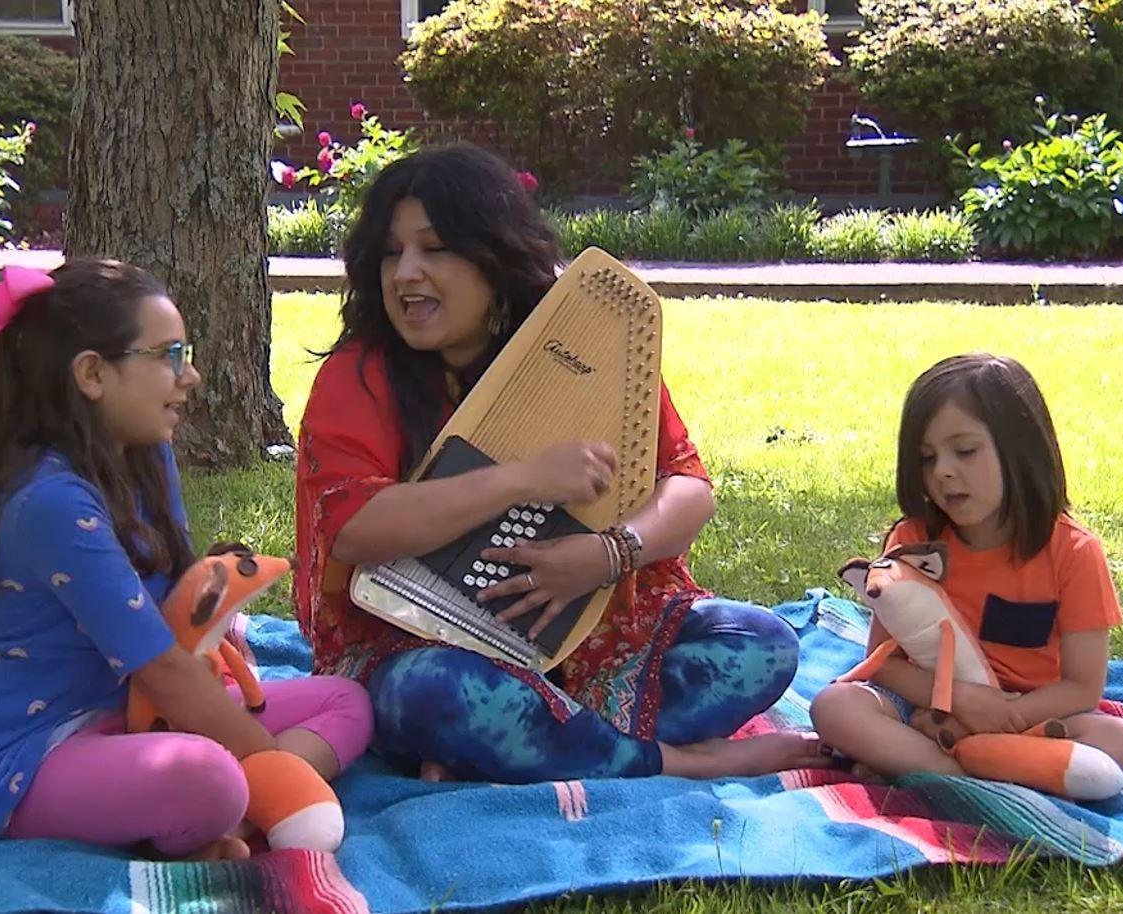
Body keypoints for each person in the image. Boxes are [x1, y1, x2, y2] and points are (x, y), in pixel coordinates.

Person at [293, 144, 831, 783]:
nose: (406, 273)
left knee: (761, 646)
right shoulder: (360, 375)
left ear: (493, 257)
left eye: (434, 249)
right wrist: (522, 479)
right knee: (431, 693)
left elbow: (688, 490)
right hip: (411, 639)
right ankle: (675, 761)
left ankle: (525, 742)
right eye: (390, 252)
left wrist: (608, 555)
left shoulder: (586, 351)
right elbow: (355, 529)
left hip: (585, 643)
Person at [0, 259, 371, 861]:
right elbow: (160, 666)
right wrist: (274, 771)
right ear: (92, 374)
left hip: (137, 714)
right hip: (30, 759)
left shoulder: (143, 454)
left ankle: (232, 814)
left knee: (346, 701)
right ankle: (239, 802)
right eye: (169, 355)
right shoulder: (50, 503)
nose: (191, 375)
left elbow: (173, 610)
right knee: (207, 778)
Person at [810, 353, 1123, 786]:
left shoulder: (1074, 552)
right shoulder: (912, 540)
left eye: (965, 451)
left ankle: (951, 760)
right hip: (926, 711)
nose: (943, 471)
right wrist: (957, 701)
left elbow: (1082, 687)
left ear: (1020, 450)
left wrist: (1006, 715)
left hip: (1030, 717)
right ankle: (965, 773)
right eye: (927, 458)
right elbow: (883, 663)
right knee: (835, 707)